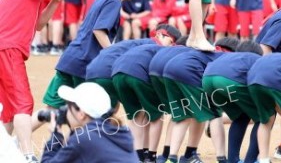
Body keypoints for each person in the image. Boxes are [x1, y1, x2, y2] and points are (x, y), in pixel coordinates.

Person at [0, 0, 130, 163]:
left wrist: (56, 0)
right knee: (23, 104)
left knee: (12, 109)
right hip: (8, 47)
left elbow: (40, 24)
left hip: (7, 48)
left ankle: (6, 152)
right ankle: (27, 156)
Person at [40, 0, 139, 113]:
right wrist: (115, 55)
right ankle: (92, 136)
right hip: (85, 63)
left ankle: (21, 137)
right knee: (104, 108)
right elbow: (99, 31)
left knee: (51, 109)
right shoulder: (114, 1)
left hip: (70, 59)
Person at [111, 25, 182, 163]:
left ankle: (138, 156)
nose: (172, 45)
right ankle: (151, 156)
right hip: (136, 74)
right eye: (172, 41)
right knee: (157, 115)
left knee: (137, 116)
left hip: (117, 74)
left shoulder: (142, 44)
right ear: (160, 36)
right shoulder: (160, 49)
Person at [161, 38, 238, 163]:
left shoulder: (209, 52)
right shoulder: (226, 56)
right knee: (214, 114)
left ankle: (172, 158)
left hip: (169, 69)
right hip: (187, 70)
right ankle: (222, 158)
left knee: (182, 115)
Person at [40, 82, 137, 162]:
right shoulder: (119, 133)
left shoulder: (84, 139)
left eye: (68, 107)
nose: (65, 111)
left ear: (81, 114)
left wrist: (55, 136)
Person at [203, 41, 264, 163]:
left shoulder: (229, 56)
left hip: (207, 79)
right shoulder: (255, 58)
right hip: (228, 80)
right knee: (264, 118)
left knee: (241, 116)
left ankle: (233, 160)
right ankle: (250, 160)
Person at [86, 38, 155, 107]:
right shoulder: (152, 45)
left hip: (90, 73)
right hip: (107, 73)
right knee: (134, 108)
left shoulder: (132, 43)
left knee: (103, 110)